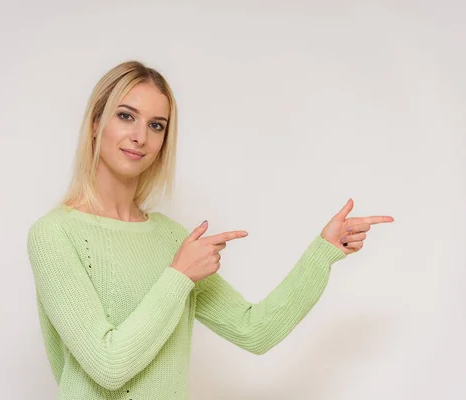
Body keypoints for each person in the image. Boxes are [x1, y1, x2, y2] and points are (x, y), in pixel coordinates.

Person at [26, 60, 394, 399]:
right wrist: (179, 274)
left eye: (157, 125)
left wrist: (322, 252)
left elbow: (254, 331)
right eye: (126, 116)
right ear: (95, 123)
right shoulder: (55, 234)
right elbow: (108, 365)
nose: (141, 136)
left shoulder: (171, 238)